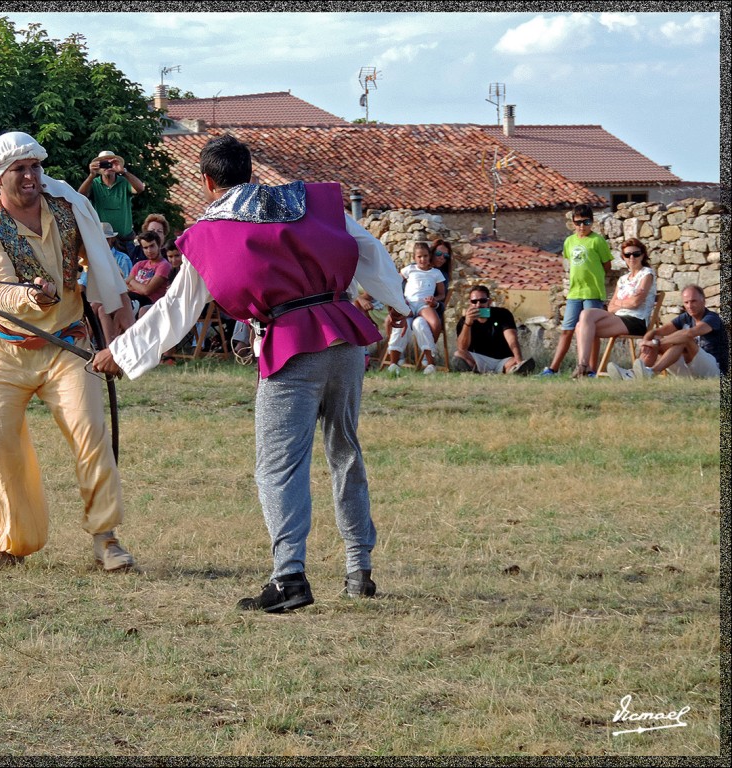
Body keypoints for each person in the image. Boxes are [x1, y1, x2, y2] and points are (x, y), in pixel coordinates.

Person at [92, 133, 410, 612]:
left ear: (207, 181)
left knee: (278, 466)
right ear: (251, 171)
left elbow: (177, 309)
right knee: (344, 450)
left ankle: (289, 579)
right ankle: (358, 568)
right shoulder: (306, 199)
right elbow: (366, 246)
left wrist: (120, 351)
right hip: (344, 337)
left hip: (291, 345)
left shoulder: (208, 231)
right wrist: (397, 301)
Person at [0, 131, 135, 572]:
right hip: (3, 351)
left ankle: (106, 540)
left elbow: (98, 261)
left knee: (90, 433)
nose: (30, 176)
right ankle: (10, 544)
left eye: (34, 167)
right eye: (19, 170)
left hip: (68, 345)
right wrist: (32, 296)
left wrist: (114, 302)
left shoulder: (66, 210)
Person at [541, 204, 612, 375]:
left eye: (586, 222)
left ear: (592, 222)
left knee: (592, 332)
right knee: (567, 330)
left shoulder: (597, 241)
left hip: (592, 292)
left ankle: (591, 369)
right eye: (578, 222)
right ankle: (553, 368)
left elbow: (607, 265)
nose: (582, 226)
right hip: (574, 292)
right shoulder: (569, 241)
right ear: (573, 223)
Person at [571, 238, 656, 378]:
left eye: (636, 254)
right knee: (584, 317)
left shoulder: (647, 274)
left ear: (642, 255)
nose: (632, 258)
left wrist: (620, 302)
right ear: (623, 257)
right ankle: (584, 365)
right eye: (628, 255)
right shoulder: (623, 279)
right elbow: (611, 307)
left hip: (636, 320)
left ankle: (583, 367)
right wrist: (626, 301)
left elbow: (635, 303)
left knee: (583, 326)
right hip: (618, 317)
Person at [621, 284, 726, 380]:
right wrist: (646, 341)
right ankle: (634, 374)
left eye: (694, 301)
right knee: (657, 338)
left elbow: (689, 334)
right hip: (690, 371)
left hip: (714, 371)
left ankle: (652, 372)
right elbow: (655, 332)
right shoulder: (685, 317)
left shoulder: (712, 318)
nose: (690, 306)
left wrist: (657, 342)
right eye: (686, 302)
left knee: (683, 340)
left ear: (703, 301)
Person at [384, 242, 445, 375]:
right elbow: (395, 283)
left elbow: (442, 294)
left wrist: (434, 300)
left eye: (425, 256)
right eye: (419, 256)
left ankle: (427, 355)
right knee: (391, 321)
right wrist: (400, 298)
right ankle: (395, 358)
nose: (423, 259)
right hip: (409, 303)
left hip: (424, 305)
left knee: (435, 323)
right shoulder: (410, 269)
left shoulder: (436, 273)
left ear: (430, 256)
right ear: (414, 257)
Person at [452, 285, 535, 374]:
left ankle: (514, 369)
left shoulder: (503, 314)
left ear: (489, 301)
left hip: (503, 360)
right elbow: (462, 348)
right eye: (474, 301)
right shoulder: (464, 321)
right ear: (470, 303)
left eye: (482, 301)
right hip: (479, 359)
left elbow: (512, 339)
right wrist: (468, 324)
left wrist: (519, 361)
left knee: (515, 362)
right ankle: (478, 372)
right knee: (458, 355)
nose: (478, 305)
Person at [77, 150, 145, 253]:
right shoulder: (94, 183)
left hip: (125, 240)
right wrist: (91, 175)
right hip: (102, 240)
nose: (107, 166)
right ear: (99, 167)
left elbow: (140, 188)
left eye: (110, 163)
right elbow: (80, 196)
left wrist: (123, 172)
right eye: (103, 163)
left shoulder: (124, 182)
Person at [125, 230, 171, 317]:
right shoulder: (139, 264)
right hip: (132, 298)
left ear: (159, 245)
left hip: (148, 302)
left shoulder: (164, 265)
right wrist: (140, 286)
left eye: (152, 246)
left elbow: (147, 291)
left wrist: (132, 282)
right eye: (145, 248)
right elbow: (125, 285)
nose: (149, 251)